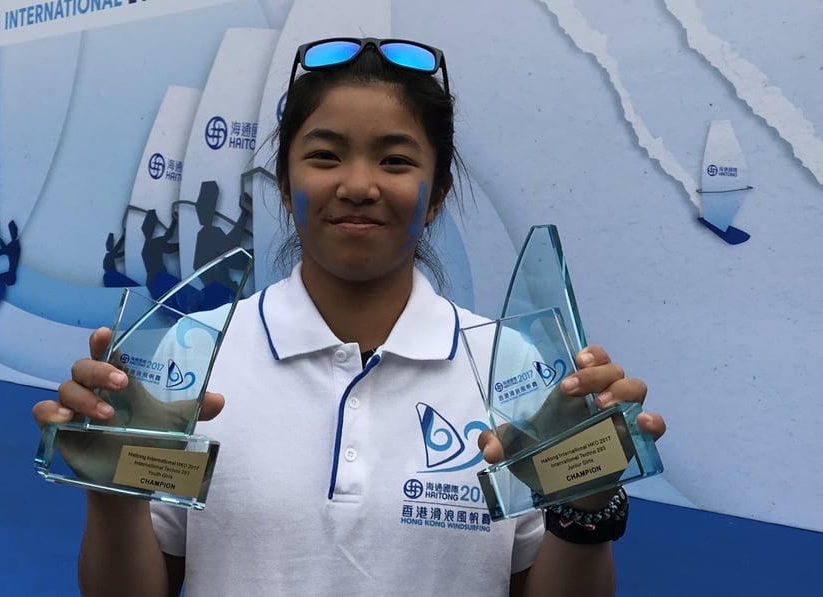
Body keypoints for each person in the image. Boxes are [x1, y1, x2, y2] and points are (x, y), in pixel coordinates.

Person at [33, 36, 667, 596]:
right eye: (325, 156)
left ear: (437, 192)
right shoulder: (197, 352)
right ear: (284, 184)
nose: (359, 184)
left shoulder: (513, 368)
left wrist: (584, 504)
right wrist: (111, 493)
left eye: (395, 160)